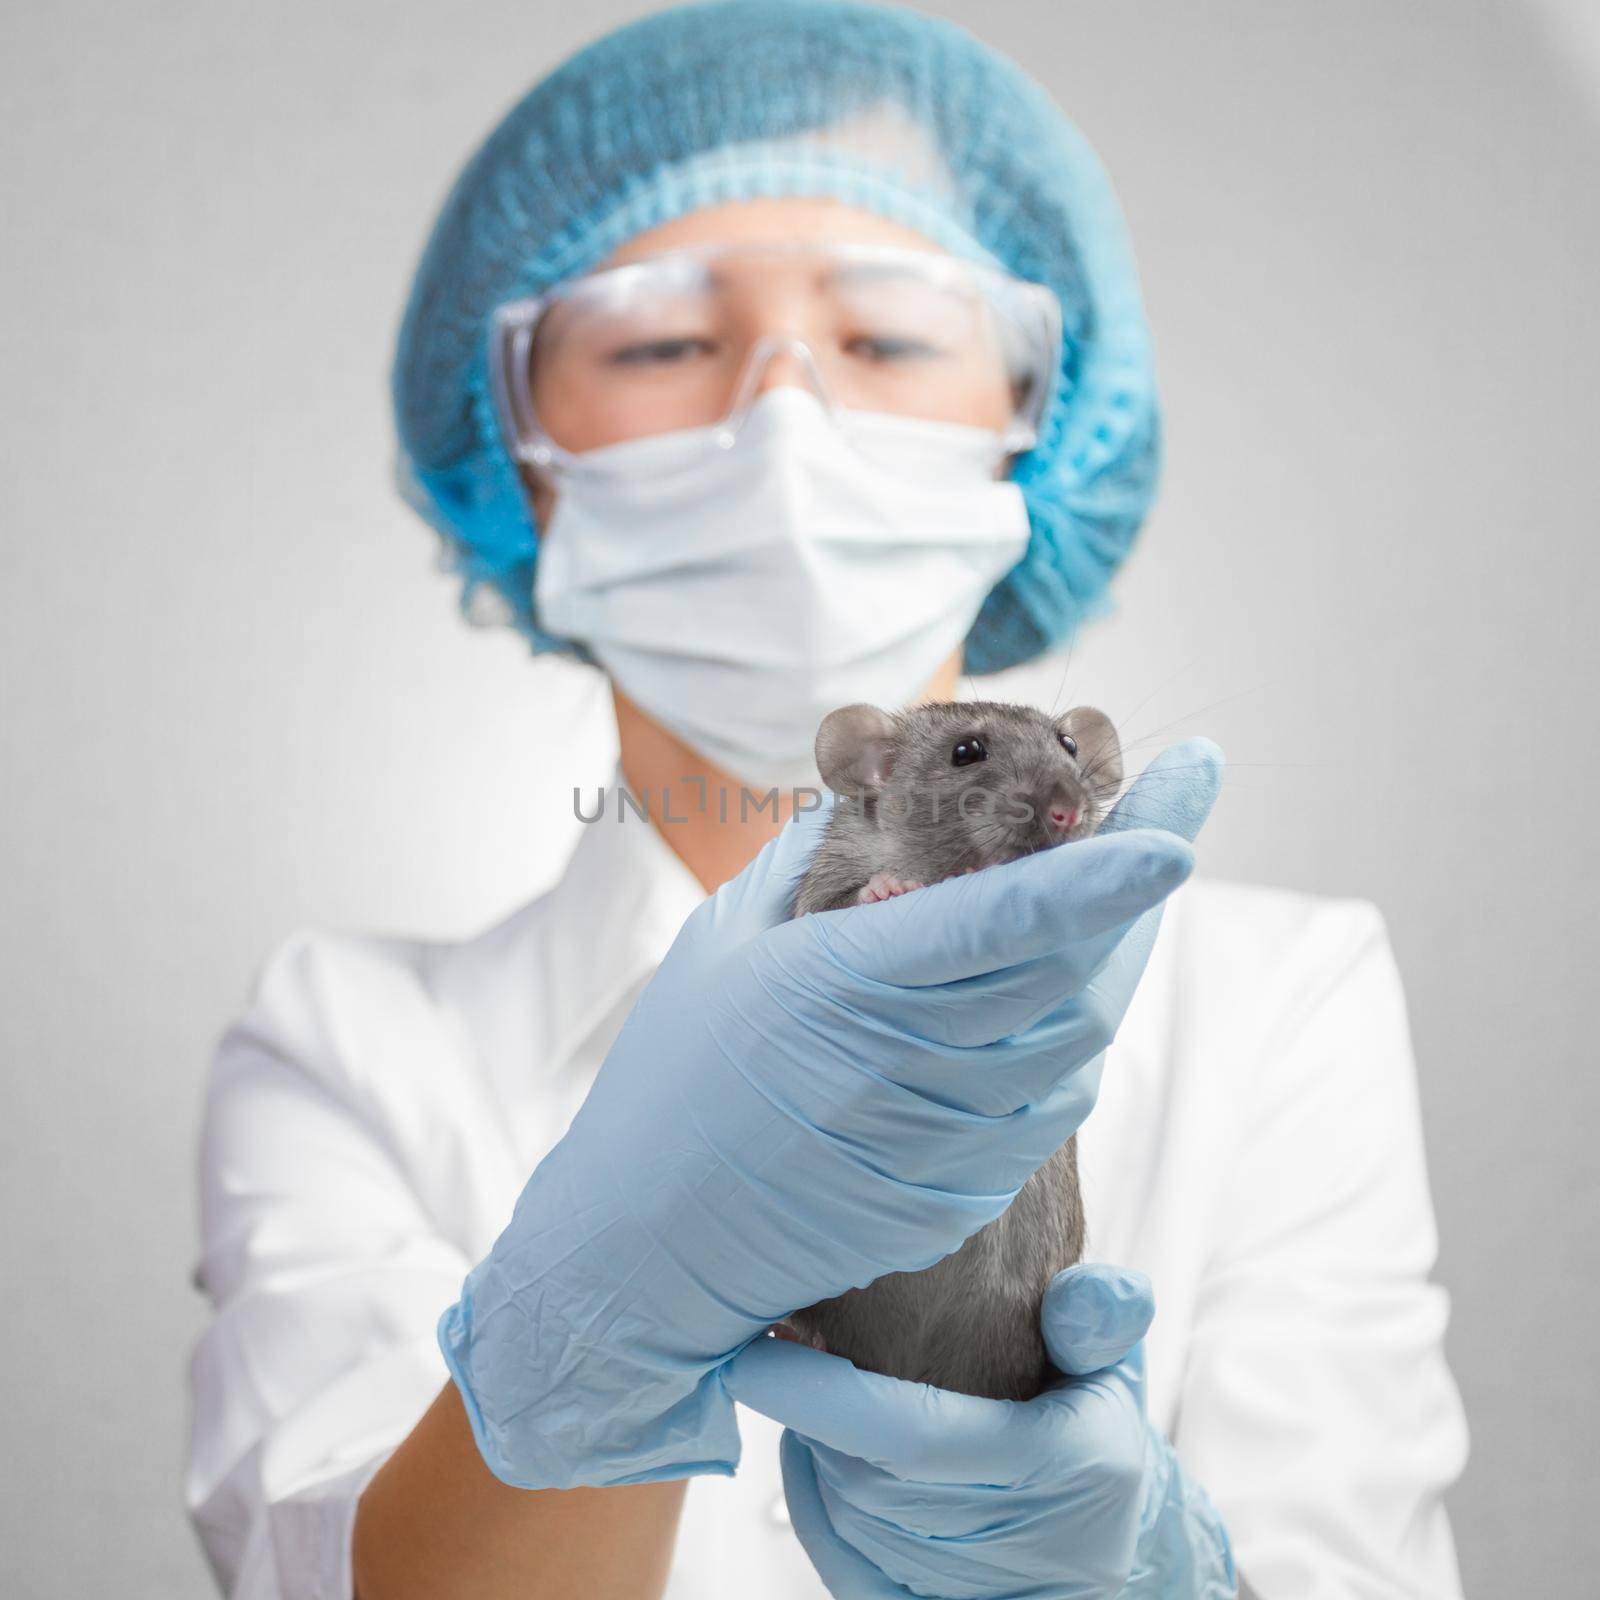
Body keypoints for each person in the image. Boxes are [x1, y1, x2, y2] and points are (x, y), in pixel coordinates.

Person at [183, 4, 1468, 1597]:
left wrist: (1138, 1574)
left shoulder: (1282, 1001)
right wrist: (592, 1331)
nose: (783, 418)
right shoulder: (349, 1044)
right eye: (659, 341)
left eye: (888, 337)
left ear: (1032, 433)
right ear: (516, 451)